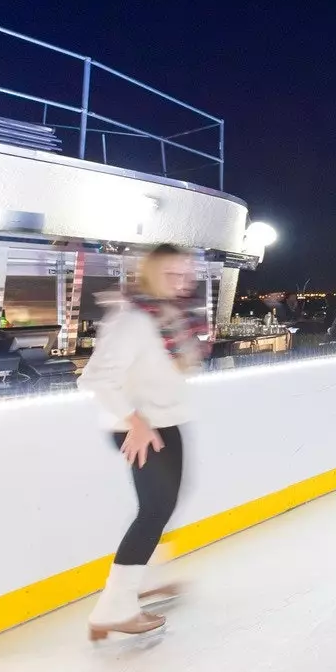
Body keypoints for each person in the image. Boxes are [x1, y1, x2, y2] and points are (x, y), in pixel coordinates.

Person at [77, 244, 206, 641]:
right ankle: (115, 608)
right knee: (154, 511)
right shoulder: (133, 319)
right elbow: (96, 378)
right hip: (142, 428)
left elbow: (179, 364)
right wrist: (135, 422)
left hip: (164, 422)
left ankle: (141, 581)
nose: (182, 282)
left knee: (162, 506)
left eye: (187, 274)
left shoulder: (166, 315)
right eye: (172, 274)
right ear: (150, 274)